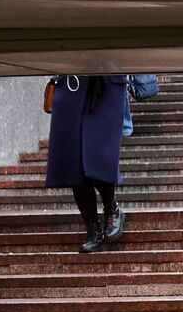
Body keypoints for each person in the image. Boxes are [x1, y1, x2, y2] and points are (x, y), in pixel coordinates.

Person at [46, 74, 128, 253]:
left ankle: (111, 208)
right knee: (72, 158)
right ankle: (92, 229)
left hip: (106, 81)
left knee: (99, 153)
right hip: (71, 83)